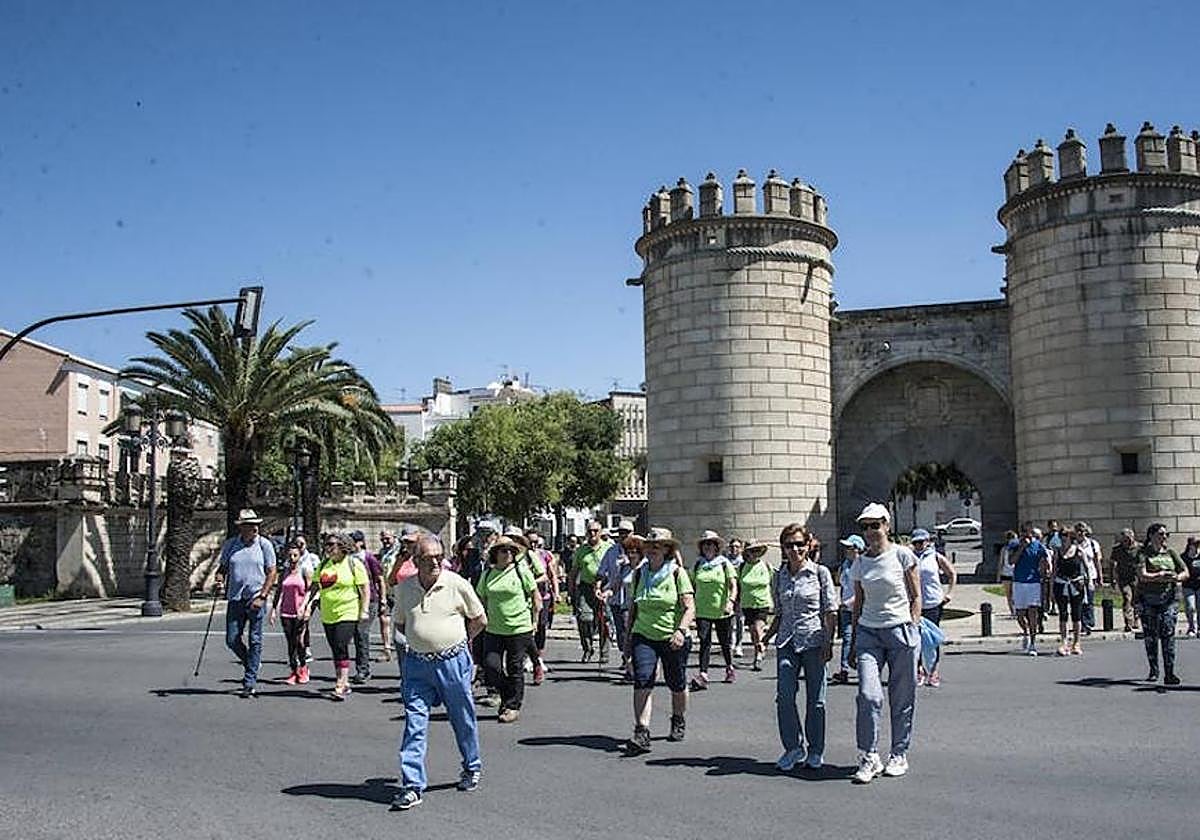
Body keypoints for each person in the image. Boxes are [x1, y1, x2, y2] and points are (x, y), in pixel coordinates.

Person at [391, 535, 487, 810]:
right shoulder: (405, 588)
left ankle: (471, 766)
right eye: (427, 558)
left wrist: (460, 643)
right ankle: (411, 785)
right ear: (416, 561)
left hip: (452, 663)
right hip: (417, 665)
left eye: (438, 557)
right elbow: (400, 624)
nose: (434, 562)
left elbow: (480, 619)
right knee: (414, 724)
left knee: (462, 718)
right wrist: (420, 640)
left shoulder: (456, 583)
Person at [849, 503, 921, 784]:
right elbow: (858, 604)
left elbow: (916, 596)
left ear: (887, 526)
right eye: (865, 526)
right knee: (868, 695)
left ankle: (899, 753)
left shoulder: (903, 555)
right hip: (869, 632)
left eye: (875, 525)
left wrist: (913, 627)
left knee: (902, 697)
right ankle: (869, 755)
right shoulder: (860, 562)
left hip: (900, 631)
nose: (870, 531)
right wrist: (854, 640)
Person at [765, 523, 836, 772]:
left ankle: (815, 750)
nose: (794, 549)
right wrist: (766, 636)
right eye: (789, 545)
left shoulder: (820, 573)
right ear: (783, 548)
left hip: (813, 641)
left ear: (808, 545)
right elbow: (780, 612)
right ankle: (793, 748)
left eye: (799, 544)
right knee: (784, 696)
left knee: (816, 700)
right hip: (786, 641)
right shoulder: (779, 576)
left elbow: (829, 610)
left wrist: (828, 641)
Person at [622, 527, 695, 755]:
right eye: (649, 546)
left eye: (658, 546)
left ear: (667, 550)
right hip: (644, 635)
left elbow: (689, 607)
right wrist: (627, 639)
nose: (653, 550)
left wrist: (681, 631)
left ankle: (678, 718)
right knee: (643, 679)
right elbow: (633, 607)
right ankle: (641, 731)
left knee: (677, 682)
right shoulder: (639, 574)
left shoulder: (676, 573)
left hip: (672, 637)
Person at [475, 535, 540, 723]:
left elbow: (535, 595)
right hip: (493, 629)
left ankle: (512, 706)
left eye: (511, 550)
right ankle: (507, 694)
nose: (508, 553)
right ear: (496, 554)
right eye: (504, 550)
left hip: (518, 628)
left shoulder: (521, 571)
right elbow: (481, 598)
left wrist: (534, 621)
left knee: (515, 668)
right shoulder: (488, 574)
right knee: (491, 666)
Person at [215, 508, 278, 698]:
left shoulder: (264, 545)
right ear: (242, 528)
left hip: (256, 597)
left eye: (255, 525)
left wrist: (263, 596)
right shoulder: (231, 545)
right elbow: (222, 569)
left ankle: (249, 681)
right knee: (232, 639)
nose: (254, 528)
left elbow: (272, 572)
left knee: (255, 639)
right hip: (235, 598)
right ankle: (251, 661)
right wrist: (219, 581)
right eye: (250, 525)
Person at [302, 532, 369, 700]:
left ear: (342, 546)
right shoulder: (324, 564)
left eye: (332, 544)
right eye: (327, 544)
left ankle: (341, 682)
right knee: (335, 647)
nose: (328, 548)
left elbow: (364, 589)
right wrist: (306, 605)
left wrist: (364, 609)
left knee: (341, 644)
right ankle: (344, 681)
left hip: (348, 610)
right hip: (328, 612)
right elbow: (315, 587)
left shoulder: (354, 564)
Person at [1136, 523, 1188, 685]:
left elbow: (1185, 571)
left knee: (1168, 635)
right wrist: (1159, 575)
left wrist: (1176, 578)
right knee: (1151, 637)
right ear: (1151, 536)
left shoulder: (1170, 553)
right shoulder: (1143, 553)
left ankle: (1169, 673)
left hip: (1169, 600)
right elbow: (1142, 575)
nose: (1164, 537)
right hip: (1149, 600)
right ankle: (1154, 669)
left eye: (1166, 534)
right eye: (1161, 534)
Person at [688, 530, 738, 689]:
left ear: (717, 547)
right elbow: (691, 586)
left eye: (711, 544)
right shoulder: (698, 565)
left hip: (722, 610)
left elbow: (733, 585)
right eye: (705, 544)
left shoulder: (724, 563)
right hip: (703, 611)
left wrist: (730, 601)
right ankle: (703, 674)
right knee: (704, 641)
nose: (708, 547)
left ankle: (729, 667)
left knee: (724, 641)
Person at [911, 528, 955, 687]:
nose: (918, 545)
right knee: (915, 638)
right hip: (915, 603)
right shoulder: (909, 557)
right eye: (915, 542)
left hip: (933, 603)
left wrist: (949, 593)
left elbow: (951, 573)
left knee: (932, 639)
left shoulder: (935, 557)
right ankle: (919, 669)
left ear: (927, 542)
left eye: (921, 542)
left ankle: (934, 671)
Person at [571, 520, 618, 664]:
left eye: (595, 531)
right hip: (586, 587)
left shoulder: (608, 548)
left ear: (601, 532)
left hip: (605, 586)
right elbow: (574, 572)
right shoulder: (581, 550)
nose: (592, 534)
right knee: (585, 619)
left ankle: (604, 653)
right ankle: (588, 648)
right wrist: (571, 591)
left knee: (604, 620)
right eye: (590, 531)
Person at [269, 543, 313, 684]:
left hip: (300, 611)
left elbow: (310, 590)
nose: (292, 558)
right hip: (286, 612)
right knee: (290, 643)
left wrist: (305, 607)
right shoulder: (284, 573)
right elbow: (278, 592)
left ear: (300, 556)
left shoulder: (305, 571)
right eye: (290, 555)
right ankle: (294, 671)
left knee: (300, 641)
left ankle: (304, 667)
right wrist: (274, 609)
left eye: (295, 555)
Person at [598, 534, 638, 679]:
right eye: (628, 551)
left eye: (634, 551)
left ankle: (634, 667)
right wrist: (607, 592)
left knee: (631, 636)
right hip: (624, 605)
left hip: (640, 609)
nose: (631, 554)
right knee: (624, 635)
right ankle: (630, 666)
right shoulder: (625, 568)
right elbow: (616, 584)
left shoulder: (644, 568)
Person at [526, 528, 560, 684]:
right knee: (527, 629)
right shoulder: (520, 557)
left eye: (536, 542)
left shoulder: (545, 556)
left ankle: (538, 657)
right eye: (530, 541)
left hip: (543, 596)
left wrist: (557, 593)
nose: (533, 544)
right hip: (526, 598)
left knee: (541, 627)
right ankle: (528, 658)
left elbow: (550, 575)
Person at [1011, 523, 1050, 656]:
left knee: (1033, 612)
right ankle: (1026, 632)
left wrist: (1045, 573)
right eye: (1023, 532)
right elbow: (1012, 561)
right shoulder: (1015, 544)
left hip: (1033, 582)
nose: (1025, 535)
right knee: (1020, 614)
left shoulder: (1038, 546)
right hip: (1019, 582)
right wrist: (1021, 548)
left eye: (1027, 532)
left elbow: (1045, 560)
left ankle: (1033, 643)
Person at [388, 533, 421, 681]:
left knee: (419, 644)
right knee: (400, 641)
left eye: (411, 542)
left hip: (420, 607)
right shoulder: (401, 560)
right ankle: (406, 677)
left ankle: (420, 678)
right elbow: (391, 580)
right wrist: (399, 562)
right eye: (405, 542)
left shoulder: (425, 559)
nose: (408, 545)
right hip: (402, 606)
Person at [832, 535, 864, 684]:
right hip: (845, 608)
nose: (846, 550)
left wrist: (850, 602)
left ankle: (863, 667)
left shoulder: (863, 565)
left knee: (862, 639)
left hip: (860, 607)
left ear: (857, 549)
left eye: (849, 548)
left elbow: (863, 590)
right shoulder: (845, 564)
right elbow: (840, 583)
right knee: (847, 637)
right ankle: (844, 669)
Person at [737, 540, 773, 671]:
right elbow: (737, 586)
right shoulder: (742, 567)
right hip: (747, 604)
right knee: (753, 631)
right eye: (752, 551)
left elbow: (773, 583)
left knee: (758, 629)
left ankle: (759, 653)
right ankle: (758, 648)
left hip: (762, 602)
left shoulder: (766, 566)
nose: (755, 554)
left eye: (757, 551)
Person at [1111, 528, 1141, 633]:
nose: (1126, 542)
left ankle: (1136, 618)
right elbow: (1113, 565)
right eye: (1124, 540)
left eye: (1128, 539)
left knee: (1136, 600)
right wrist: (1113, 580)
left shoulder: (1139, 548)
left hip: (1137, 578)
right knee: (1127, 598)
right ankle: (1128, 623)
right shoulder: (1117, 549)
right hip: (1123, 578)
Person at [377, 530, 401, 662]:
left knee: (401, 621)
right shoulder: (382, 552)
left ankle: (403, 647)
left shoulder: (400, 552)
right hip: (386, 590)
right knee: (384, 618)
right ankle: (387, 649)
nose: (385, 542)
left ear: (394, 538)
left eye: (387, 539)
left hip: (399, 590)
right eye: (383, 539)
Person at [725, 536, 746, 658]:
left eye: (737, 547)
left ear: (741, 549)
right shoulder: (724, 561)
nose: (734, 549)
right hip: (728, 594)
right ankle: (731, 643)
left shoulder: (743, 562)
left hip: (741, 594)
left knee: (740, 621)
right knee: (729, 621)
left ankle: (739, 644)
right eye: (732, 547)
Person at [1180, 537, 1200, 637]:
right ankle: (1191, 627)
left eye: (1198, 544)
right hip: (1188, 586)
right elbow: (1180, 569)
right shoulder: (1184, 557)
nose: (1197, 546)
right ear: (1190, 545)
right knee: (1190, 607)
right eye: (1195, 544)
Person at [996, 530, 1018, 619]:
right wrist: (998, 575)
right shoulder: (1004, 549)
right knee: (1009, 594)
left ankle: (1016, 611)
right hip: (1007, 573)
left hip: (1013, 573)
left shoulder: (1016, 549)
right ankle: (1013, 612)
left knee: (1013, 594)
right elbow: (1001, 563)